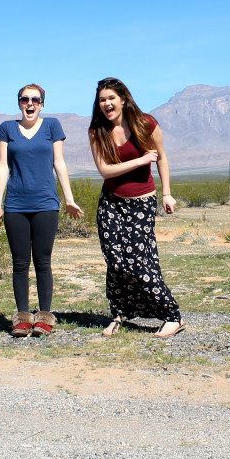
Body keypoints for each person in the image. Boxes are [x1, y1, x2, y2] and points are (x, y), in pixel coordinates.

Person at [88, 77, 185, 338]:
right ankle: (119, 314)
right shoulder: (97, 131)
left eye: (111, 98)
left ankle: (171, 316)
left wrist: (167, 193)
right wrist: (141, 160)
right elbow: (105, 171)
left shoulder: (145, 123)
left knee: (141, 262)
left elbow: (162, 158)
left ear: (122, 99)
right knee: (115, 261)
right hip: (110, 203)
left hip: (141, 203)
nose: (106, 104)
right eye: (102, 100)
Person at [0, 83, 84, 337]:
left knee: (43, 261)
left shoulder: (52, 126)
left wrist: (69, 198)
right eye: (25, 99)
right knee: (20, 263)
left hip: (45, 204)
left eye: (35, 100)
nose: (30, 104)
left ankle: (44, 317)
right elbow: (3, 167)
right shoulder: (7, 129)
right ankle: (21, 316)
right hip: (15, 205)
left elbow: (59, 163)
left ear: (42, 104)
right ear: (19, 102)